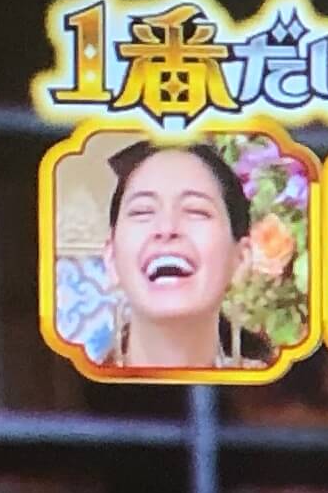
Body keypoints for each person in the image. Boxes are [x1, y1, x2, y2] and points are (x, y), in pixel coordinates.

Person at [102, 141, 273, 371]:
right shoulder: (70, 388)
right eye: (142, 211)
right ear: (111, 258)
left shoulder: (281, 390)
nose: (166, 228)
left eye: (196, 211)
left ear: (241, 259)